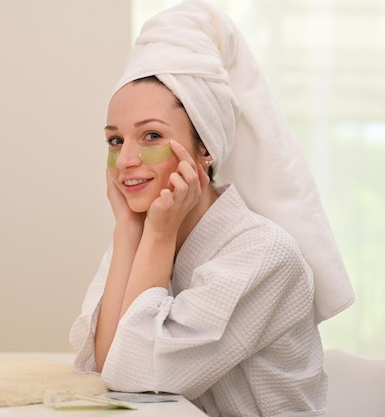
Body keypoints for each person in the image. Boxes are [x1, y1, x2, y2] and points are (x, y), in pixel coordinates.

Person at [69, 1, 355, 416]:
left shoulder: (263, 255)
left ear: (205, 149)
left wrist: (158, 234)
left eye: (151, 135)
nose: (126, 159)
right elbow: (99, 370)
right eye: (115, 140)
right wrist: (129, 231)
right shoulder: (145, 233)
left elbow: (132, 376)